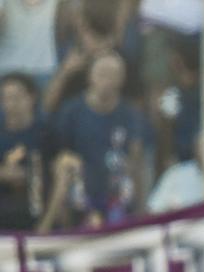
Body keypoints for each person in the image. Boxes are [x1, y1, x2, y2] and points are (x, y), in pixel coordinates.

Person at [42, 50, 148, 230]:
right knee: (65, 165)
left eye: (114, 74)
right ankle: (51, 230)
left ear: (122, 80)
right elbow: (58, 153)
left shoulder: (131, 115)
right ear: (90, 76)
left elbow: (136, 160)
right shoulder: (71, 111)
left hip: (116, 190)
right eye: (102, 73)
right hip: (79, 189)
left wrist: (142, 210)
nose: (107, 80)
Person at [0, 73, 46, 232]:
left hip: (39, 211)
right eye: (7, 98)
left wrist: (30, 174)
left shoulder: (45, 132)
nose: (12, 103)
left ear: (31, 98)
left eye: (18, 97)